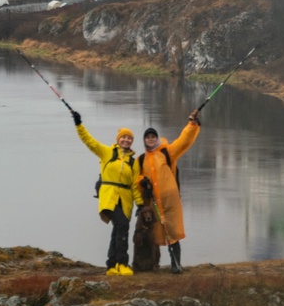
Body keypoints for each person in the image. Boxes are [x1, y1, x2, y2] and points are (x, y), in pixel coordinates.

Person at [71, 108, 142, 275]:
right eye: (124, 137)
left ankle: (111, 265)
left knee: (118, 228)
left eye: (129, 138)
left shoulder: (134, 162)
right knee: (122, 225)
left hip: (125, 199)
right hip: (108, 197)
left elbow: (134, 185)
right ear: (118, 139)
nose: (126, 140)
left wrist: (139, 203)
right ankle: (122, 263)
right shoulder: (107, 152)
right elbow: (89, 141)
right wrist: (78, 124)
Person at [137, 111, 201, 274]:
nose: (150, 139)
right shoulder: (141, 160)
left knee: (172, 232)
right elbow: (136, 179)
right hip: (153, 203)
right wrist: (141, 182)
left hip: (170, 202)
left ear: (157, 138)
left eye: (153, 136)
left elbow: (183, 141)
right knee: (154, 235)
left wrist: (191, 125)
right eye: (147, 137)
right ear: (144, 140)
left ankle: (176, 264)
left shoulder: (167, 153)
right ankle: (152, 264)